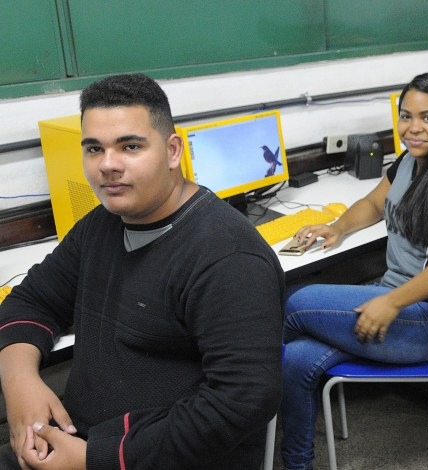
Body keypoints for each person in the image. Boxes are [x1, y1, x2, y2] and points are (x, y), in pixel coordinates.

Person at [0, 73, 284, 469]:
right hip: (80, 441)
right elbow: (31, 300)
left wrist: (93, 459)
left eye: (130, 146)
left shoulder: (229, 257)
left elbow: (241, 402)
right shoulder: (100, 225)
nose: (108, 165)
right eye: (94, 149)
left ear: (172, 151)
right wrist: (21, 387)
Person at [279, 72, 428, 469]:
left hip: (426, 323)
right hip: (395, 303)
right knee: (296, 359)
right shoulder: (409, 162)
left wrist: (391, 302)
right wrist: (337, 227)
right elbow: (374, 204)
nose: (414, 128)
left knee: (297, 302)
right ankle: (295, 463)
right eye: (406, 116)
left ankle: (243, 412)